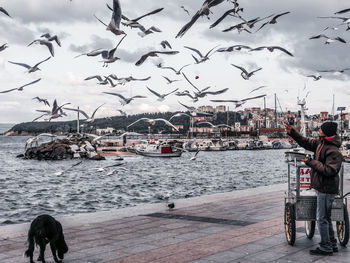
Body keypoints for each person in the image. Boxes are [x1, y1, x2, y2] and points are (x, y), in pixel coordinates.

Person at [285, 121, 343, 256]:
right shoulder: (320, 143)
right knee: (326, 218)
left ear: (326, 132)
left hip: (327, 188)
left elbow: (329, 170)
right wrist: (292, 132)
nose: (319, 130)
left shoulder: (333, 151)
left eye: (321, 129)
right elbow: (305, 141)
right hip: (323, 187)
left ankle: (325, 246)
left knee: (322, 218)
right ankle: (332, 243)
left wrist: (310, 162)